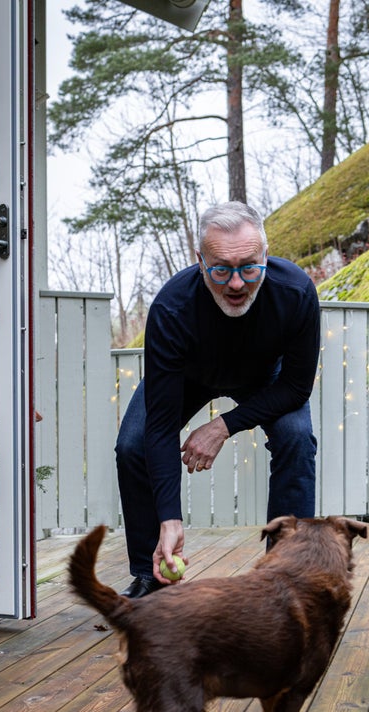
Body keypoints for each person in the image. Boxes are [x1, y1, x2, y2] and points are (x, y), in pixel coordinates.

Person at [115, 201, 321, 598]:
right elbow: (159, 425)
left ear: (266, 254)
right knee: (133, 446)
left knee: (297, 437)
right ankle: (148, 574)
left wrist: (223, 425)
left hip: (268, 380)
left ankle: (286, 578)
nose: (237, 283)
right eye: (221, 269)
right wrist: (170, 518)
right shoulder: (171, 309)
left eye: (249, 266)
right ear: (200, 261)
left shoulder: (295, 292)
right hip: (189, 377)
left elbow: (297, 388)